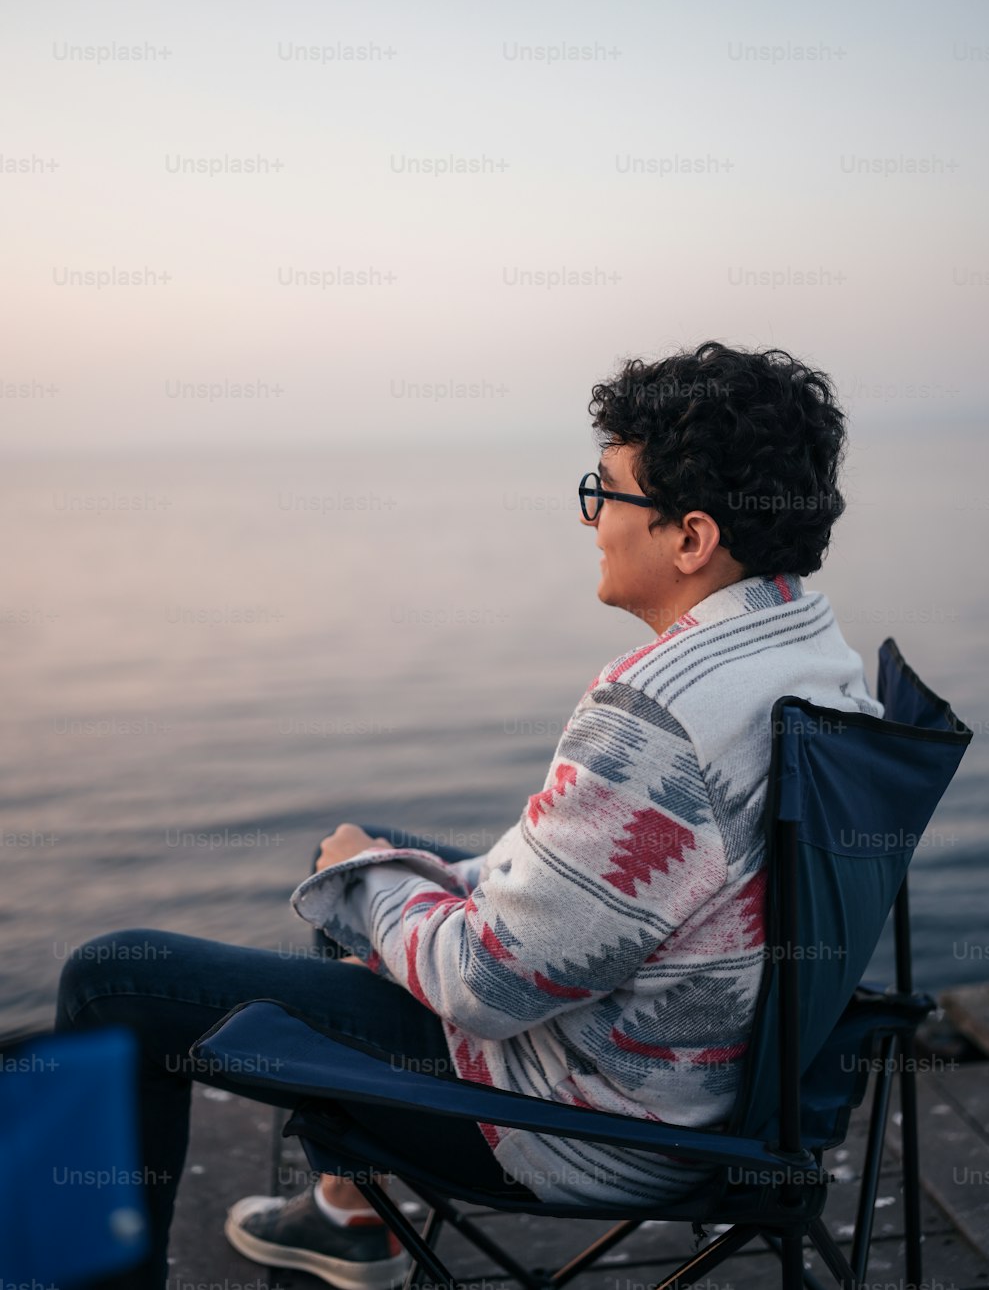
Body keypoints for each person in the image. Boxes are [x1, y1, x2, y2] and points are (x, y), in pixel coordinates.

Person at [55, 340, 882, 1289]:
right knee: (369, 860)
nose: (592, 519)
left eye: (605, 492)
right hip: (725, 1082)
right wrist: (389, 877)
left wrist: (369, 886)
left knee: (112, 977)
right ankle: (344, 1214)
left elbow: (488, 984)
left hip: (587, 1124)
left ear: (690, 538)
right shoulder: (814, 654)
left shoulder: (657, 714)